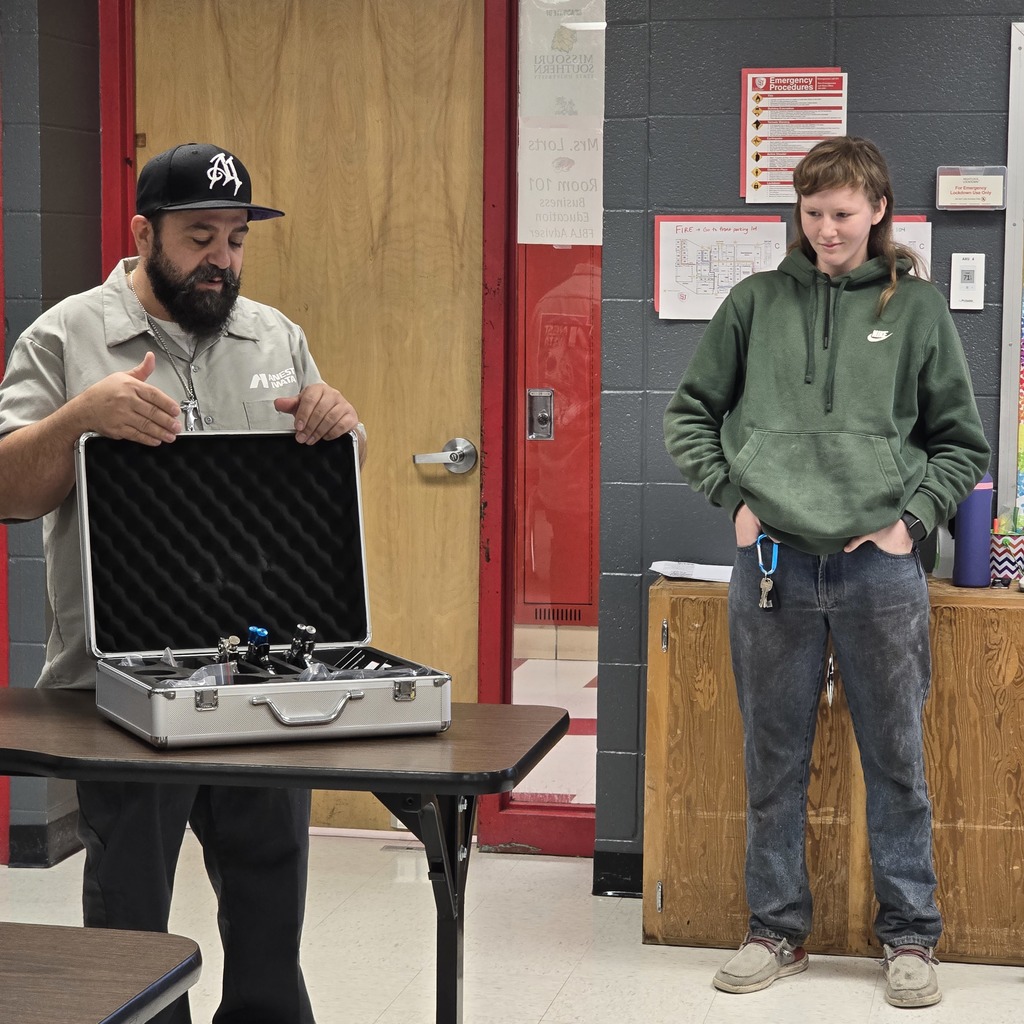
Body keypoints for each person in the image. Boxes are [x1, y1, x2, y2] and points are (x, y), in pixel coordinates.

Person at [0, 142, 363, 1024]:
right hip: (118, 695)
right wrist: (83, 421)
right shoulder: (65, 336)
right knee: (130, 940)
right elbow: (7, 490)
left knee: (272, 933)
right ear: (143, 232)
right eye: (201, 236)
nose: (222, 259)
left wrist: (343, 426)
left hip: (261, 687)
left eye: (236, 240)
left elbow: (323, 496)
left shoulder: (276, 337)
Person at [663, 136, 989, 1008]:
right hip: (771, 562)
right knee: (774, 756)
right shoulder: (755, 302)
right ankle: (775, 930)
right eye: (812, 214)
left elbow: (960, 443)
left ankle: (911, 937)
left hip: (879, 572)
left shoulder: (916, 310)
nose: (827, 230)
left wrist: (911, 521)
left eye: (842, 214)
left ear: (878, 210)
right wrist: (732, 496)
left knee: (896, 758)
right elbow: (689, 414)